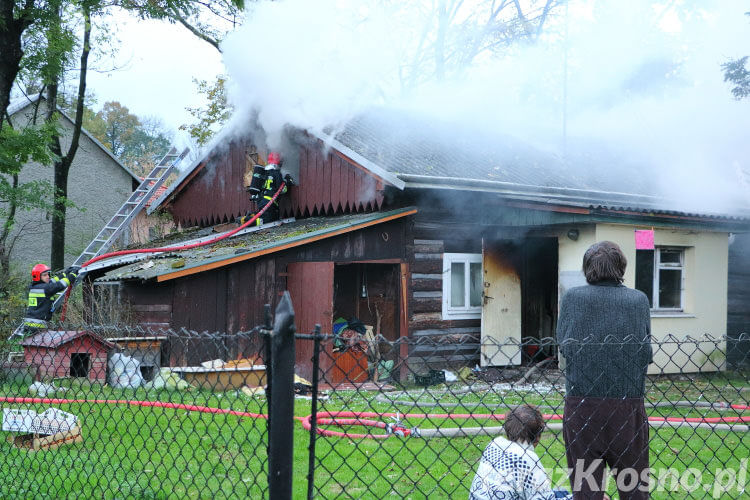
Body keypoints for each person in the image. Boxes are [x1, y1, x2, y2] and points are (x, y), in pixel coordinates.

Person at [556, 241, 653, 500]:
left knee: (586, 490)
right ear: (621, 266)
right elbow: (645, 351)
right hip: (627, 406)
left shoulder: (573, 298)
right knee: (634, 489)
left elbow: (563, 346)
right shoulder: (638, 300)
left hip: (583, 405)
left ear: (588, 267)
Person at [469, 405, 573, 500]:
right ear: (538, 436)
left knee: (560, 492)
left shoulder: (494, 444)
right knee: (564, 493)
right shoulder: (529, 460)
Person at [20, 263, 79, 333]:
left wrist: (65, 273)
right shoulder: (45, 288)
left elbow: (52, 281)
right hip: (38, 326)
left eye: (48, 274)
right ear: (38, 277)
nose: (48, 276)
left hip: (29, 323)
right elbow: (60, 285)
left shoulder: (34, 286)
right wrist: (73, 275)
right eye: (45, 275)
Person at [239, 151, 293, 226]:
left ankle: (253, 216)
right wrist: (288, 182)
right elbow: (282, 190)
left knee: (273, 217)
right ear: (278, 162)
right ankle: (246, 220)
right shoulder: (277, 173)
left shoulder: (264, 172)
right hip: (269, 202)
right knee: (267, 220)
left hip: (261, 200)